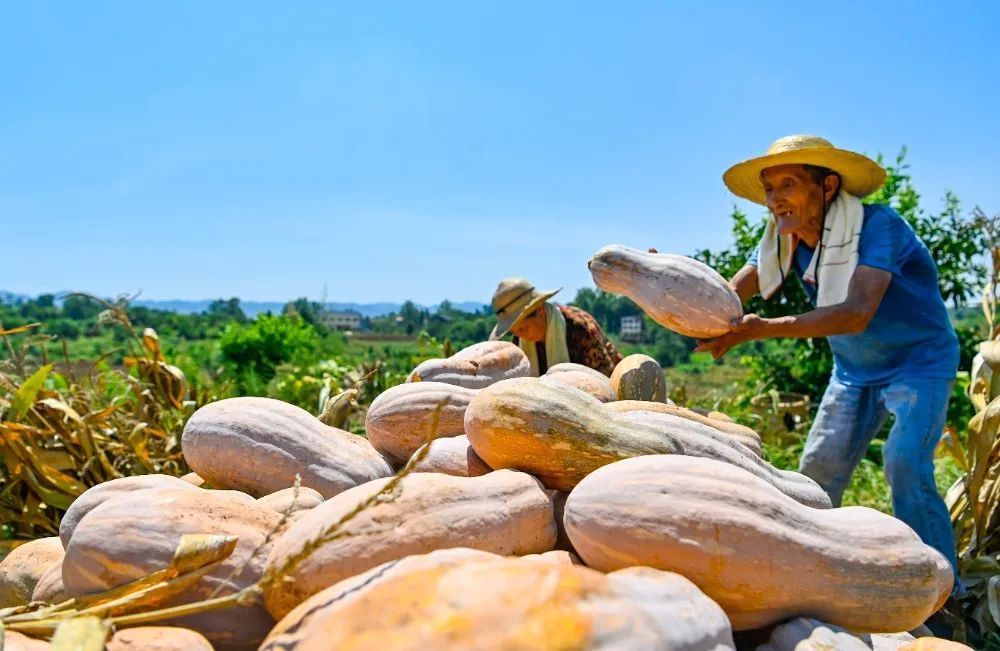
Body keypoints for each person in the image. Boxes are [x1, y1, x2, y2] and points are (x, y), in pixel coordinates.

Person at [697, 135, 961, 585]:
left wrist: (763, 329)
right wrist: (667, 285)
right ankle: (811, 572)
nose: (775, 199)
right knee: (815, 473)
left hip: (920, 364)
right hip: (854, 373)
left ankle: (941, 590)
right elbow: (726, 295)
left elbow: (857, 313)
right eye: (768, 188)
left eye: (788, 184)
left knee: (904, 462)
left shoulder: (880, 228)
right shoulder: (783, 241)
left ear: (828, 186)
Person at [489, 277, 621, 376]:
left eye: (523, 328)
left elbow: (605, 377)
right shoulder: (519, 342)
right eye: (514, 331)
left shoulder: (580, 328)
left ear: (539, 311)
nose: (520, 335)